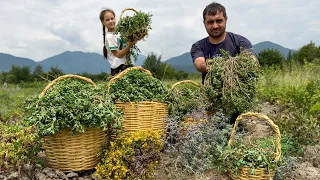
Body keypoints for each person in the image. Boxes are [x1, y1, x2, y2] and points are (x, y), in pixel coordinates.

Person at [190, 2, 257, 124]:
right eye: (210, 22)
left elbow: (252, 60)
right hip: (212, 104)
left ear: (226, 20)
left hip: (237, 102)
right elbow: (199, 64)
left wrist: (232, 65)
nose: (215, 26)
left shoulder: (239, 41)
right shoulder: (198, 46)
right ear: (204, 23)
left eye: (219, 21)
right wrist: (206, 66)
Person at [99, 8, 137, 76]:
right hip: (118, 68)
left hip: (127, 65)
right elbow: (118, 55)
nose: (111, 21)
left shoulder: (119, 32)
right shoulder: (109, 37)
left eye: (112, 18)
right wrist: (130, 45)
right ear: (103, 22)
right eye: (107, 20)